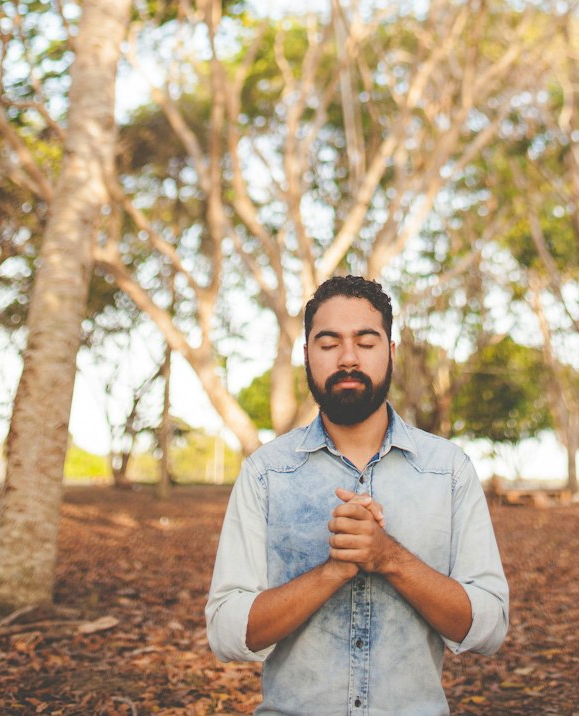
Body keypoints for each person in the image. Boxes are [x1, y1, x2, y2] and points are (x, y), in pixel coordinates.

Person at [206, 274, 508, 716]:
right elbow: (228, 634)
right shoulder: (266, 473)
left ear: (390, 351)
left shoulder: (448, 470)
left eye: (365, 342)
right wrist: (333, 572)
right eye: (328, 344)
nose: (348, 358)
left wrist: (388, 558)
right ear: (306, 354)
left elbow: (489, 628)